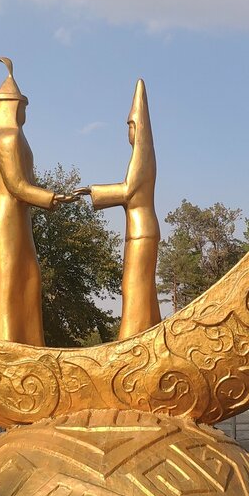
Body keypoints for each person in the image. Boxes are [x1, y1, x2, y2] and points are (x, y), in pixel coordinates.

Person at [0, 58, 79, 344]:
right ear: (13, 106)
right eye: (22, 105)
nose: (24, 111)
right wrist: (51, 197)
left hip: (16, 219)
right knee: (12, 281)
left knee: (26, 278)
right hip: (9, 219)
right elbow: (17, 186)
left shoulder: (0, 137)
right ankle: (7, 345)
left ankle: (26, 343)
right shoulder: (7, 138)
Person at [75, 79, 162, 340]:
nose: (128, 131)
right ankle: (150, 337)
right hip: (140, 231)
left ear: (136, 127)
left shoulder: (142, 155)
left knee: (134, 286)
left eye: (129, 126)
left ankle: (131, 341)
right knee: (143, 288)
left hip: (141, 232)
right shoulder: (142, 155)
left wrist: (93, 191)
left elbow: (128, 191)